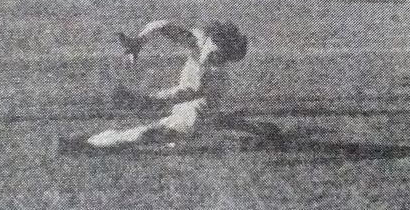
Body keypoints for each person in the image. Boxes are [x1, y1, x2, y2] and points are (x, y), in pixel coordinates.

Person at [85, 20, 276, 148]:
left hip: (196, 114)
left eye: (217, 57)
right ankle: (254, 128)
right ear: (209, 39)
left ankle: (92, 143)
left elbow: (184, 93)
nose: (209, 58)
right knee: (160, 133)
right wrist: (137, 42)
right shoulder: (197, 41)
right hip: (190, 108)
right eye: (211, 51)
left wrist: (141, 100)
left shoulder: (217, 76)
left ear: (225, 59)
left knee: (149, 136)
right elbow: (163, 26)